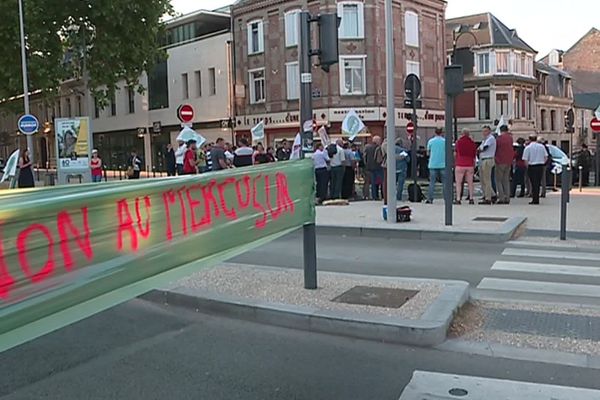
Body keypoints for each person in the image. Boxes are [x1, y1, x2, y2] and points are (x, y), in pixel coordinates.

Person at [523, 134, 548, 205]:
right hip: (540, 166)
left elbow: (525, 160)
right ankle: (536, 198)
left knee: (533, 183)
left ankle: (534, 199)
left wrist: (528, 167)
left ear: (530, 139)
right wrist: (542, 163)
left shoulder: (528, 148)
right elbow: (546, 157)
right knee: (538, 182)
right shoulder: (542, 147)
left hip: (532, 166)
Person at [454, 128, 477, 205]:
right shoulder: (472, 143)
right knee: (470, 182)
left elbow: (456, 152)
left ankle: (458, 199)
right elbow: (474, 154)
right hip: (470, 164)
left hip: (460, 164)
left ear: (462, 134)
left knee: (459, 183)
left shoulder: (458, 142)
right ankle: (471, 198)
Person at [495, 125, 514, 204]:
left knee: (498, 180)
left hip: (500, 160)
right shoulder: (510, 138)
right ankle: (507, 197)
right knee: (506, 180)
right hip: (508, 161)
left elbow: (496, 148)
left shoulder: (499, 139)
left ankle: (501, 197)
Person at [426, 128, 446, 204]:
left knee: (432, 182)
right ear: (442, 132)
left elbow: (428, 153)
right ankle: (446, 199)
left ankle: (430, 199)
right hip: (443, 164)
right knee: (444, 182)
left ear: (435, 132)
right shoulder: (445, 141)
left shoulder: (430, 141)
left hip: (433, 164)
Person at [478, 126, 497, 204]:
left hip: (488, 159)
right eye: (483, 131)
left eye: (485, 131)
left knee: (487, 179)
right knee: (483, 179)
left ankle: (488, 198)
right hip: (483, 159)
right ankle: (492, 194)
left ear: (489, 131)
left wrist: (480, 149)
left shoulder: (490, 138)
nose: (484, 133)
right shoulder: (485, 139)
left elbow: (484, 148)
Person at [364, 136, 384, 200]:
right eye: (380, 140)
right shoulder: (379, 148)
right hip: (378, 167)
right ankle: (382, 195)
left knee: (373, 183)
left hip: (370, 168)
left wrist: (366, 165)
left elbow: (365, 157)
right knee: (381, 182)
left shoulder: (367, 147)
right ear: (377, 141)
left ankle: (374, 196)